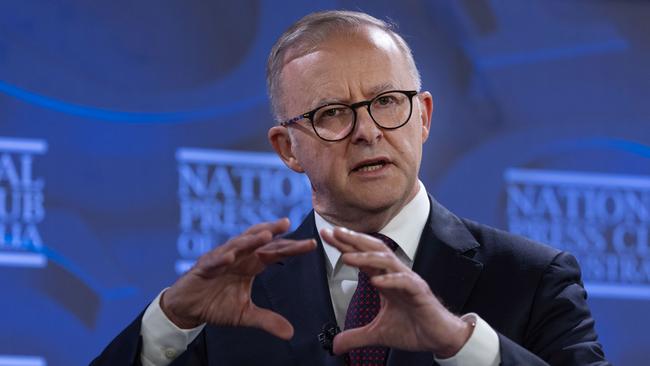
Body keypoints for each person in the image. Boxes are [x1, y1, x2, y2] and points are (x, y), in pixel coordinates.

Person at [92, 10, 609, 366]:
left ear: (423, 117)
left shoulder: (532, 277)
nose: (368, 131)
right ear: (287, 148)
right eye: (332, 113)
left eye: (387, 102)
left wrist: (459, 344)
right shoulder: (237, 298)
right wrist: (170, 321)